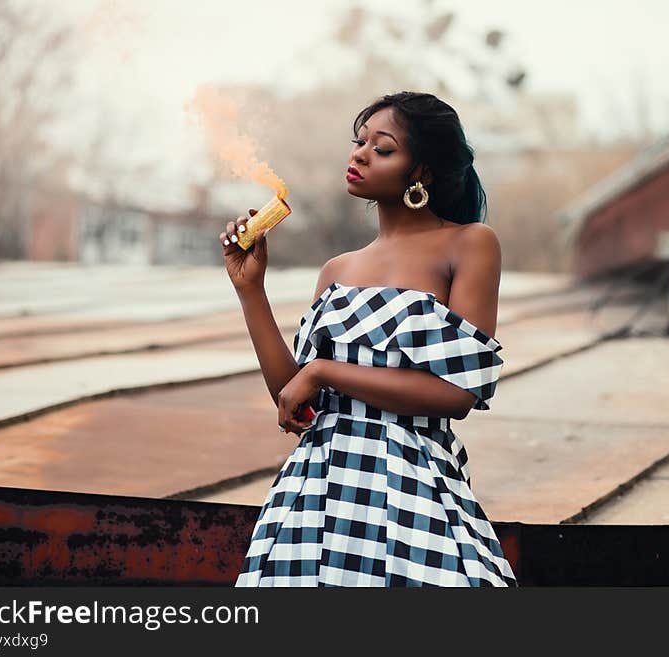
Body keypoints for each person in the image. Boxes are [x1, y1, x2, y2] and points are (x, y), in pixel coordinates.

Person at [220, 91, 517, 587]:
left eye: (382, 149)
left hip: (409, 483)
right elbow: (293, 397)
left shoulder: (470, 244)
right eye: (359, 143)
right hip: (315, 489)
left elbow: (458, 394)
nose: (358, 154)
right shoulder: (338, 269)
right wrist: (250, 289)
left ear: (420, 171)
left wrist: (323, 371)